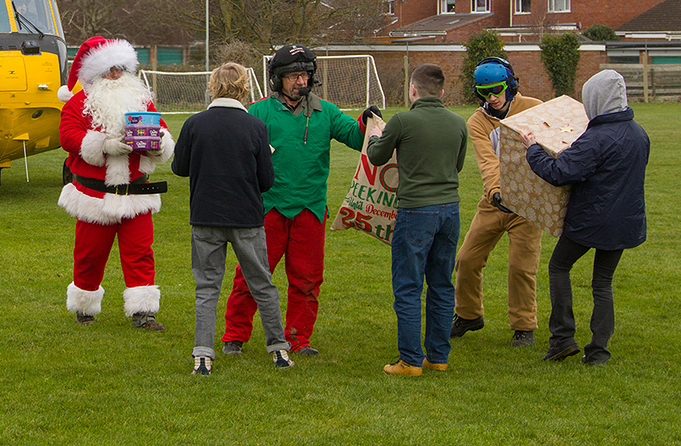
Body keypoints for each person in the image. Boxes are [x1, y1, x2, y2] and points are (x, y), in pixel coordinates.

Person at [221, 44, 372, 356]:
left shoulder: (326, 112)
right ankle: (235, 335)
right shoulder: (259, 112)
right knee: (252, 275)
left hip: (311, 209)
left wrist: (366, 122)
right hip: (268, 208)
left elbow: (357, 139)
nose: (299, 81)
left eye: (304, 75)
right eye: (292, 76)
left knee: (307, 280)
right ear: (278, 79)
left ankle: (298, 338)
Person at [172, 63, 294, 375]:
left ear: (213, 86)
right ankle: (278, 349)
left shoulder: (195, 124)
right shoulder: (255, 127)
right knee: (262, 285)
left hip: (206, 216)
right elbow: (266, 180)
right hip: (247, 218)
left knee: (207, 288)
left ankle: (202, 354)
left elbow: (179, 168)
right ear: (243, 88)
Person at [520, 69, 648, 365]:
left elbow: (559, 172)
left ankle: (562, 339)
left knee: (559, 267)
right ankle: (599, 352)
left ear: (596, 100)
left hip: (590, 221)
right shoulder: (639, 133)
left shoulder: (596, 139)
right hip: (625, 223)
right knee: (602, 283)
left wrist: (533, 151)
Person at [57, 36, 175, 331]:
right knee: (88, 255)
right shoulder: (78, 104)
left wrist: (158, 143)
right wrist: (104, 145)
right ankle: (84, 306)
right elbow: (67, 137)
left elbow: (160, 131)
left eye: (120, 68)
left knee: (141, 253)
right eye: (110, 68)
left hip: (136, 192)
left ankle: (143, 312)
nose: (116, 74)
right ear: (95, 72)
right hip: (95, 196)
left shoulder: (141, 100)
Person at [366, 64, 467, 376]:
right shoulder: (458, 122)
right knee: (441, 283)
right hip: (450, 210)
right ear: (442, 91)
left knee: (408, 285)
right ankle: (438, 356)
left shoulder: (402, 120)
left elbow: (377, 157)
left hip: (416, 210)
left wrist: (373, 136)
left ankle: (410, 360)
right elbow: (459, 164)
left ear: (412, 90)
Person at [452, 57, 544, 347]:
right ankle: (469, 315)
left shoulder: (534, 107)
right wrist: (496, 192)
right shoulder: (477, 121)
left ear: (511, 85)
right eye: (484, 92)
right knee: (466, 260)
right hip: (494, 202)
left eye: (496, 90)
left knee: (521, 267)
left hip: (529, 203)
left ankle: (524, 326)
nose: (491, 98)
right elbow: (487, 160)